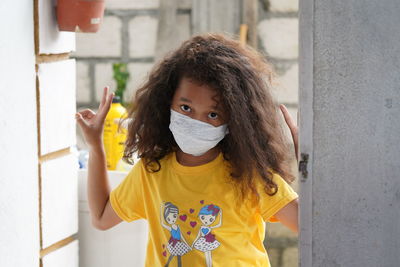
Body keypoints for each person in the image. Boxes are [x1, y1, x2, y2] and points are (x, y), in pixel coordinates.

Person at [75, 33, 299, 267]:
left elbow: (308, 224)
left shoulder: (248, 173)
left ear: (235, 119)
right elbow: (101, 217)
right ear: (166, 102)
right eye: (186, 107)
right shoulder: (152, 170)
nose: (197, 121)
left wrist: (307, 161)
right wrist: (95, 145)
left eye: (213, 114)